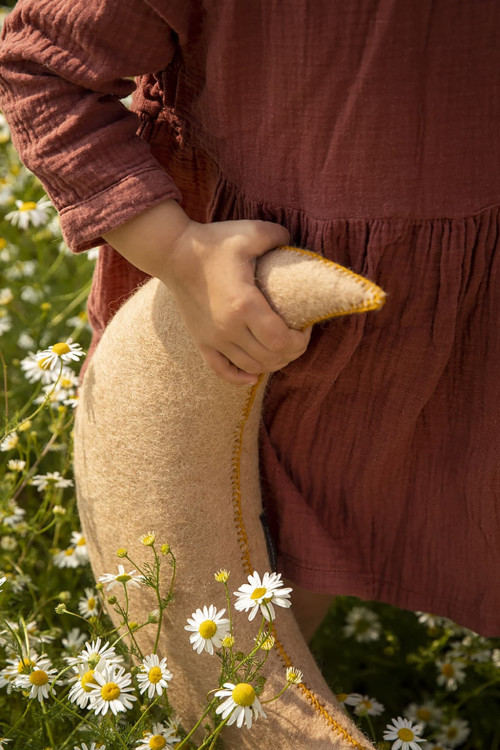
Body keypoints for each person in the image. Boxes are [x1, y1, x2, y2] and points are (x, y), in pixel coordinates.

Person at [0, 0, 499, 639]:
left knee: (368, 531)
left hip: (459, 345)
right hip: (244, 325)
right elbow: (42, 64)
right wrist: (178, 253)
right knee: (235, 598)